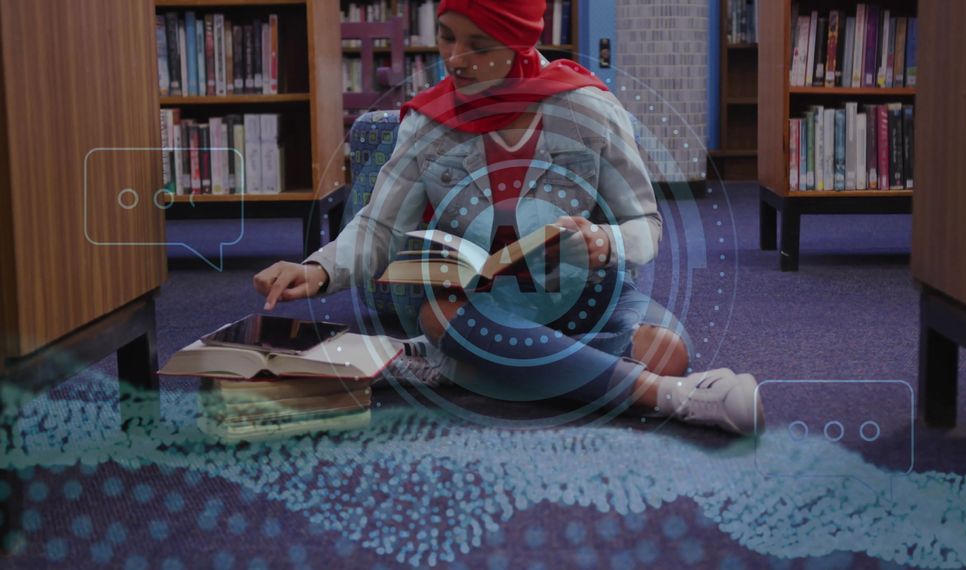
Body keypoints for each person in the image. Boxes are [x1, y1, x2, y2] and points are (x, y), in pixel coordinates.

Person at [253, 0, 763, 433]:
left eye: (478, 45)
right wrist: (317, 270)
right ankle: (666, 397)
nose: (454, 59)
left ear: (519, 44)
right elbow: (378, 227)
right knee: (440, 316)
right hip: (476, 305)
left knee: (671, 348)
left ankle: (471, 367)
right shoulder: (427, 124)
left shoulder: (589, 110)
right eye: (447, 37)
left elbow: (645, 225)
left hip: (581, 295)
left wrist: (606, 243)